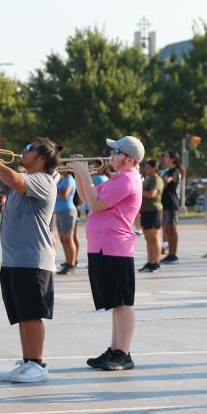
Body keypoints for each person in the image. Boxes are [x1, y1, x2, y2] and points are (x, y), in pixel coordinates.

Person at [0, 138, 60, 384]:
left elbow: (15, 179)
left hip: (33, 259)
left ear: (42, 159)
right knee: (22, 314)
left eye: (29, 149)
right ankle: (28, 361)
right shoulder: (21, 180)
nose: (22, 151)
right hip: (15, 260)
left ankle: (37, 363)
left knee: (32, 314)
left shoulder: (43, 180)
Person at [70, 136, 144, 372]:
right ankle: (115, 349)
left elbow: (97, 204)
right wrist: (79, 175)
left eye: (116, 152)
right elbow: (86, 197)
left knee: (122, 303)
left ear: (130, 159)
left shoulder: (127, 180)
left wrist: (85, 174)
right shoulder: (119, 178)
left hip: (116, 248)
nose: (111, 155)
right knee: (115, 302)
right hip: (104, 247)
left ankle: (123, 352)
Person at [138, 159, 164, 272]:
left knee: (154, 238)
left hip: (154, 211)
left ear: (154, 168)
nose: (145, 169)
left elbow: (152, 194)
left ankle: (156, 262)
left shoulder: (156, 179)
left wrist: (138, 189)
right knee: (148, 239)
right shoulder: (148, 179)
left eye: (148, 167)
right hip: (146, 211)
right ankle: (150, 262)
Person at [54, 170, 80, 274]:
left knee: (69, 239)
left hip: (67, 211)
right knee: (63, 239)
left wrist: (52, 187)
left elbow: (65, 195)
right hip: (60, 211)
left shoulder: (69, 180)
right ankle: (67, 261)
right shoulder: (62, 179)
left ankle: (71, 264)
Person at [159, 149, 182, 264]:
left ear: (172, 159)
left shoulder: (174, 171)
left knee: (172, 229)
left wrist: (159, 178)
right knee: (167, 229)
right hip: (166, 204)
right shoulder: (167, 171)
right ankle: (170, 254)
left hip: (172, 204)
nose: (164, 159)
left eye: (166, 157)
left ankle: (173, 255)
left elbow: (167, 181)